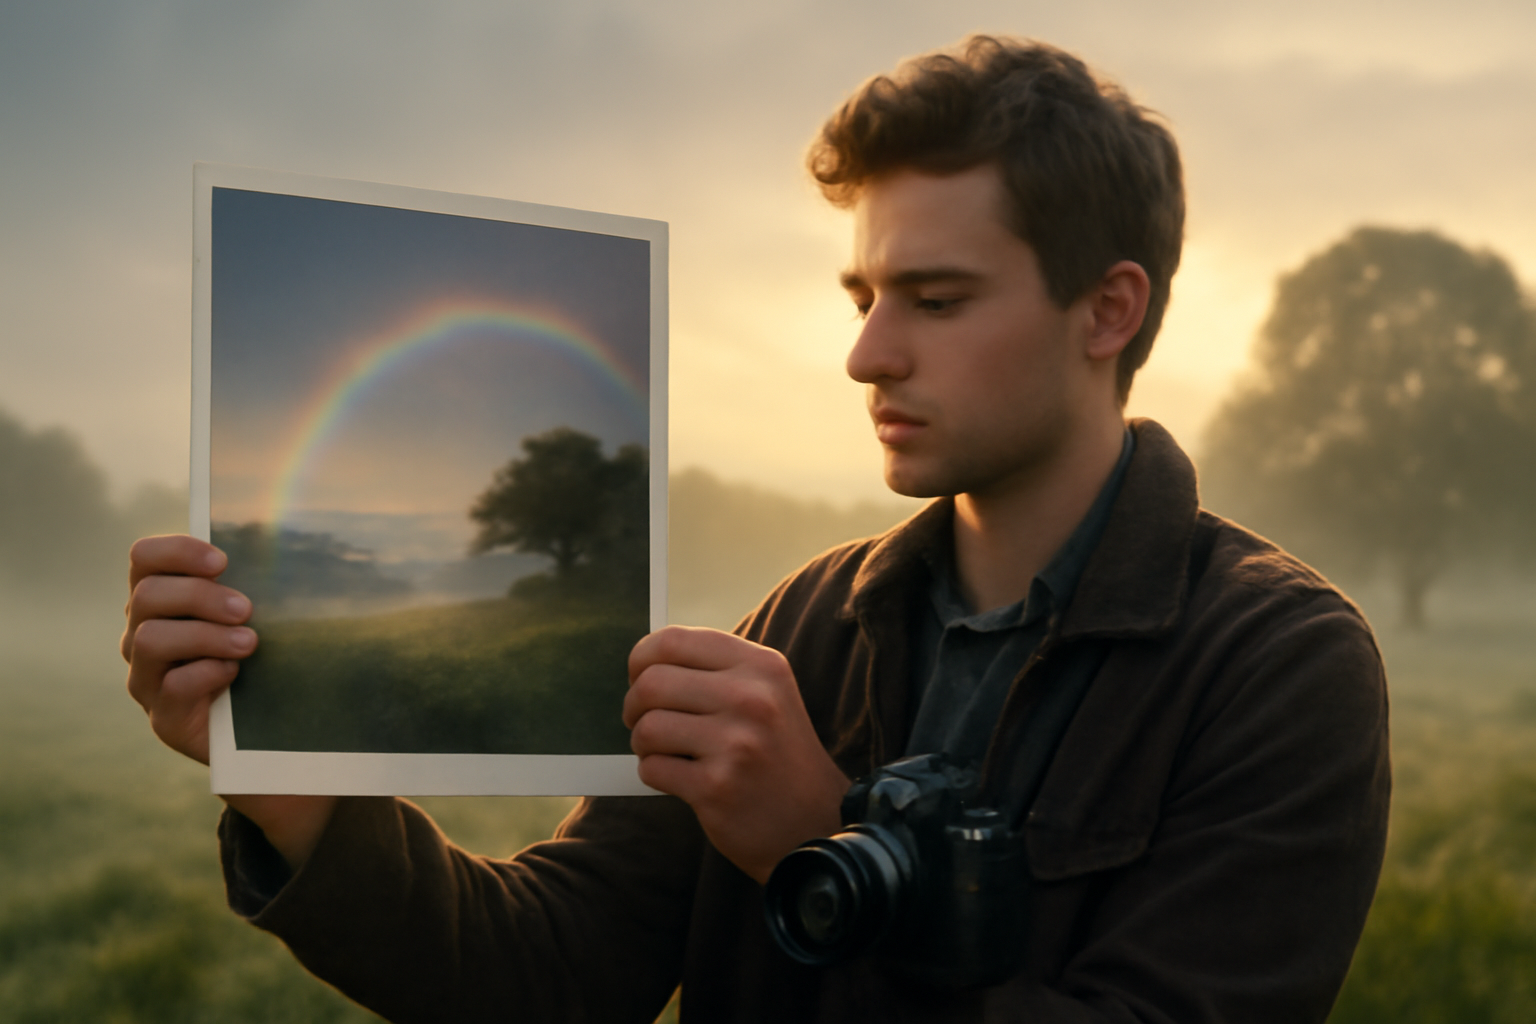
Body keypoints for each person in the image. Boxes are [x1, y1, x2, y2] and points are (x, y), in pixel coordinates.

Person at [122, 35, 1390, 1023]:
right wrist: (298, 794)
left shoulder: (1279, 665)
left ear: (1109, 309)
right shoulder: (800, 626)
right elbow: (551, 979)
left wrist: (818, 841)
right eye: (864, 294)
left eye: (936, 299)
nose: (866, 353)